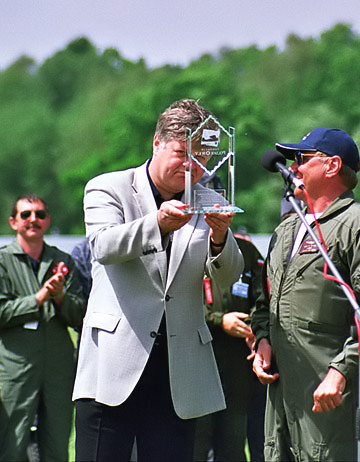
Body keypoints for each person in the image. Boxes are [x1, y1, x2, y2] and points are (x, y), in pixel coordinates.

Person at [73, 99, 244, 461]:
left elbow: (229, 276)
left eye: (202, 157)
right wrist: (157, 225)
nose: (191, 166)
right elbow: (103, 246)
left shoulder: (211, 200)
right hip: (113, 366)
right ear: (157, 143)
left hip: (178, 373)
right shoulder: (108, 188)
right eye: (182, 153)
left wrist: (220, 239)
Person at [250, 128, 360, 461]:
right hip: (283, 396)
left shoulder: (359, 225)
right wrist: (262, 338)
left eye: (302, 158)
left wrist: (340, 371)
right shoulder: (287, 229)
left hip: (332, 395)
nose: (293, 166)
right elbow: (264, 302)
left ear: (332, 165)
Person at [0, 194, 85, 462]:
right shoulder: (0, 260)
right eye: (26, 214)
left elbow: (79, 315)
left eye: (40, 215)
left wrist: (61, 296)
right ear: (13, 222)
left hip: (58, 367)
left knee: (57, 446)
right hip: (16, 365)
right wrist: (39, 298)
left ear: (48, 220)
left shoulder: (63, 260)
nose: (33, 220)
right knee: (11, 445)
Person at [194, 232, 266, 462]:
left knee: (232, 442)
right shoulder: (186, 248)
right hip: (198, 356)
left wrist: (253, 323)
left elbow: (264, 297)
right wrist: (218, 320)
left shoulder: (246, 250)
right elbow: (172, 302)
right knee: (195, 441)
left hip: (238, 362)